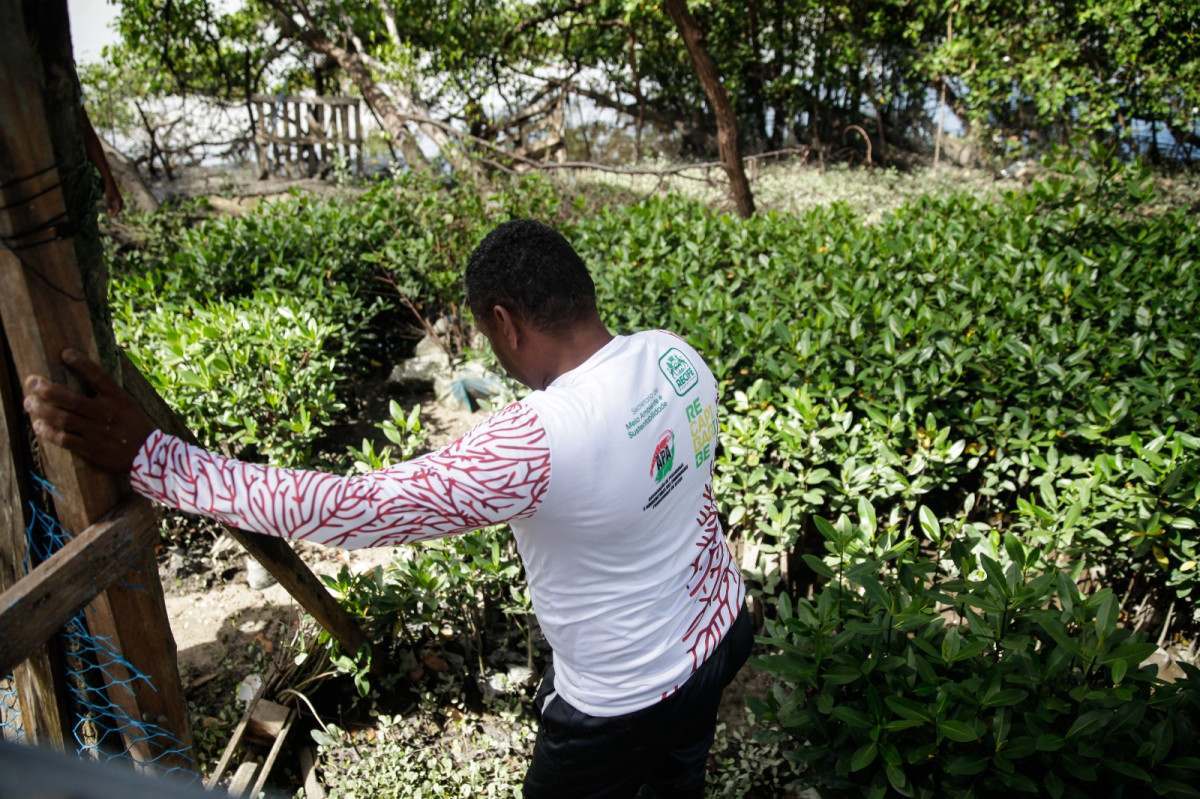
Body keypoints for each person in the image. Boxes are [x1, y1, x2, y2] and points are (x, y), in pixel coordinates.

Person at [22, 219, 751, 798]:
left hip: (618, 705)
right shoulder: (674, 355)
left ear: (505, 323)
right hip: (719, 635)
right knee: (676, 779)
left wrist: (158, 459)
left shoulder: (537, 440)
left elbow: (358, 507)